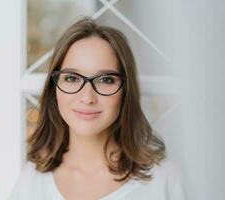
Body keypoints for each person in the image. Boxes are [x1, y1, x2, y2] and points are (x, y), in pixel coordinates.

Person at [10, 17, 186, 200]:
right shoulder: (31, 180)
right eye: (72, 78)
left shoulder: (165, 180)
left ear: (126, 91)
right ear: (54, 89)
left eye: (105, 80)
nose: (87, 98)